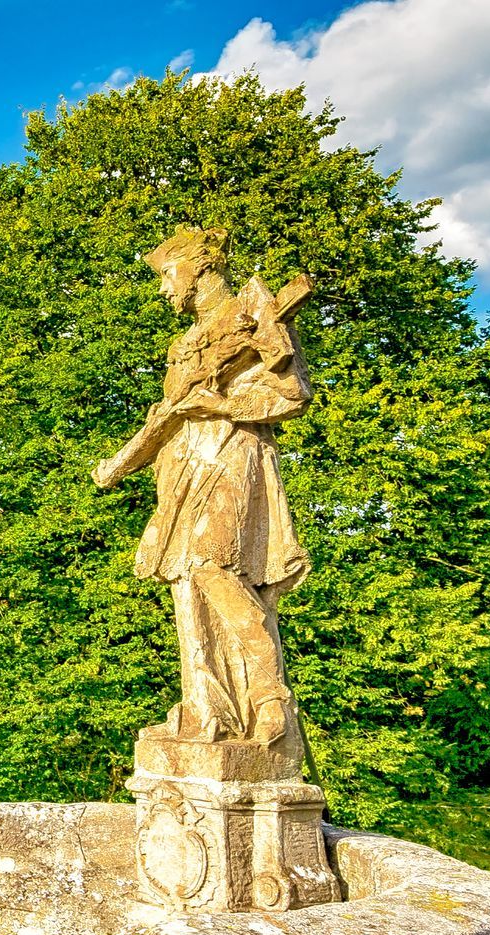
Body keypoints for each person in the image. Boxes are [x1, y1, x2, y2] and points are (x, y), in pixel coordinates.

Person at [94, 226, 313, 747]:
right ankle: (206, 711)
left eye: (168, 274)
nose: (164, 288)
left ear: (202, 265)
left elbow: (293, 395)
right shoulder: (184, 345)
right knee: (186, 585)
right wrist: (120, 464)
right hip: (180, 465)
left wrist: (222, 405)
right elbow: (167, 418)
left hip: (234, 452)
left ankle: (268, 694)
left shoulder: (255, 312)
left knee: (213, 565)